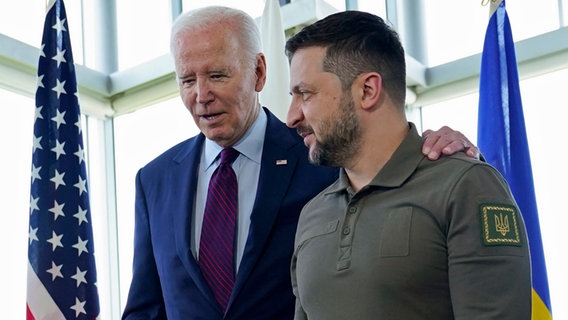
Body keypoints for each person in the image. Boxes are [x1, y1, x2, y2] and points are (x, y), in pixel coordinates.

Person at [121, 6, 480, 320]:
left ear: (259, 72)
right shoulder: (154, 180)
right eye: (187, 80)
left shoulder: (324, 154)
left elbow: (390, 157)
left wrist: (446, 150)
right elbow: (147, 308)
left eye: (217, 75)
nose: (201, 96)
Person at [285, 10, 531, 320]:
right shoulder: (312, 213)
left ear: (367, 90)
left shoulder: (465, 187)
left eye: (305, 94)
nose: (291, 116)